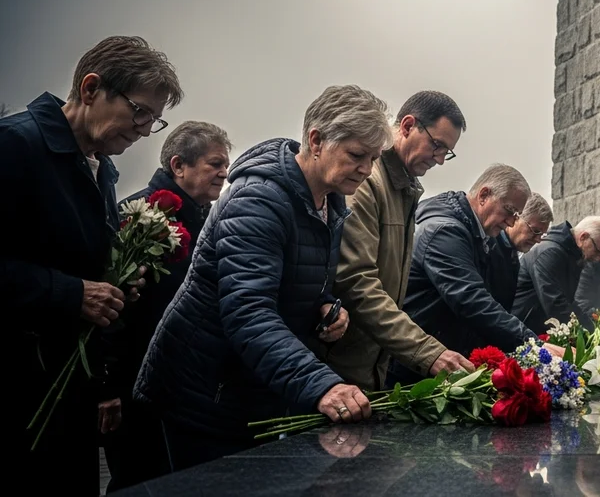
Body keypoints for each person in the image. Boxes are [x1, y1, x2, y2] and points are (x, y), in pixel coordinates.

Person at [133, 85, 392, 472]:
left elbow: (295, 279)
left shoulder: (329, 202)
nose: (367, 169)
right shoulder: (258, 200)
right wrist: (322, 384)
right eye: (357, 155)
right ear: (316, 141)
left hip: (252, 387)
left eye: (373, 158)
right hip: (207, 391)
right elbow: (248, 311)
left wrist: (325, 306)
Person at [0, 35, 181, 494]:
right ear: (90, 88)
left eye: (154, 120)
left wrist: (115, 282)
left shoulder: (100, 166)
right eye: (139, 111)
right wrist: (74, 293)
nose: (145, 129)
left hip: (69, 392)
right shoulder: (15, 145)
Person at [102, 121, 231, 491]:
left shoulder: (208, 218)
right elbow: (112, 310)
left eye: (226, 164)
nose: (225, 173)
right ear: (178, 165)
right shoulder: (138, 217)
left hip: (184, 385)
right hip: (135, 384)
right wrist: (107, 387)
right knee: (138, 481)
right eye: (215, 164)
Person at [323, 91, 476, 391]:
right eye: (437, 145)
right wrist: (428, 352)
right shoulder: (366, 182)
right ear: (407, 126)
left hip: (369, 367)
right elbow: (357, 283)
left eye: (447, 152)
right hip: (339, 370)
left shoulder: (403, 188)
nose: (440, 160)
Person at [398, 165, 562, 384]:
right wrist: (533, 345)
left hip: (439, 358)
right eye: (509, 211)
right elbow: (473, 301)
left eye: (516, 215)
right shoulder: (445, 232)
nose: (511, 222)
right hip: (416, 364)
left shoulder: (479, 234)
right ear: (484, 195)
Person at [512, 215, 600, 334]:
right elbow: (556, 304)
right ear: (583, 237)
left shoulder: (572, 256)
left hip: (533, 329)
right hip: (520, 329)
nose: (598, 258)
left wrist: (594, 330)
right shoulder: (550, 252)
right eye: (597, 251)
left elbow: (570, 303)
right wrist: (587, 334)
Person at [486, 192, 554, 311]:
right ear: (516, 217)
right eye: (535, 231)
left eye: (542, 234)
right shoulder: (489, 248)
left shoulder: (511, 254)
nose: (538, 240)